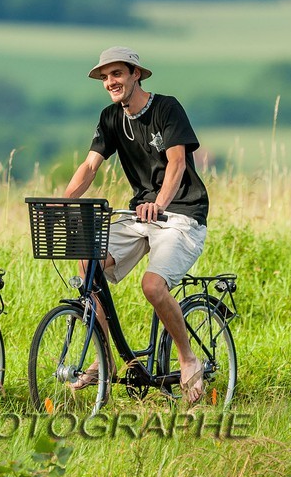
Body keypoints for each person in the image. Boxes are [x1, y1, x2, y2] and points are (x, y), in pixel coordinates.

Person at [63, 46, 210, 402]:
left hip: (181, 215)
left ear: (136, 75)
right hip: (140, 215)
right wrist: (63, 201)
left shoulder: (166, 108)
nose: (111, 82)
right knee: (88, 261)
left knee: (153, 287)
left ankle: (189, 359)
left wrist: (159, 205)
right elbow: (90, 166)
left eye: (117, 74)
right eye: (105, 77)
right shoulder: (111, 118)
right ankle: (105, 362)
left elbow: (176, 164)